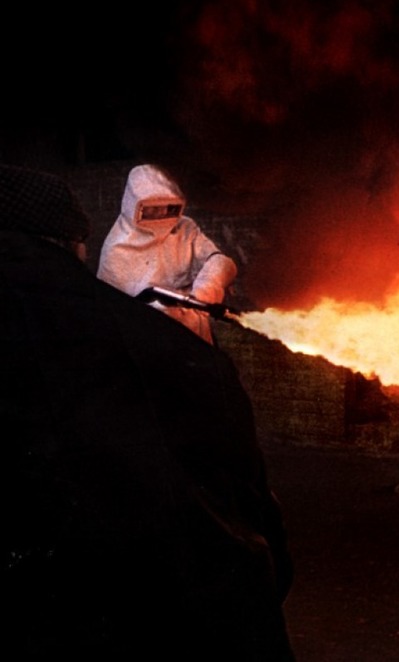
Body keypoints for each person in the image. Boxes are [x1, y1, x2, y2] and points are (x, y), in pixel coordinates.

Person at [1, 164, 295, 661]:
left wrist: (207, 286)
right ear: (73, 243)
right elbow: (252, 532)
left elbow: (217, 259)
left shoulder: (185, 239)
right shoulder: (141, 328)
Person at [97, 163, 238, 344]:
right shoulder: (117, 249)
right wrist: (164, 313)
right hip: (150, 345)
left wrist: (209, 285)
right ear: (135, 205)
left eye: (169, 207)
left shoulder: (185, 229)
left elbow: (218, 260)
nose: (162, 213)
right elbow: (114, 312)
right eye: (153, 208)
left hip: (197, 338)